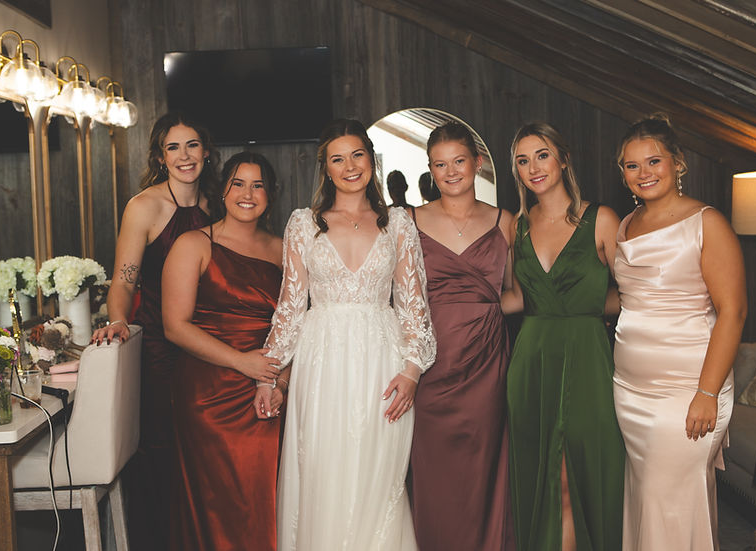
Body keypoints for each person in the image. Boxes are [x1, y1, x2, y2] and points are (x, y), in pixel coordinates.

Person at [264, 119, 436, 550]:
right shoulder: (304, 224)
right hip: (321, 366)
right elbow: (289, 305)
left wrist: (413, 371)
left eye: (357, 155)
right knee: (325, 474)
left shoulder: (397, 222)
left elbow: (415, 304)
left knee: (379, 480)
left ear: (371, 160)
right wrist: (270, 375)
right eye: (338, 159)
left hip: (384, 362)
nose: (350, 166)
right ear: (326, 168)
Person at [612, 114, 746, 551]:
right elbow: (633, 299)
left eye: (654, 161)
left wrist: (706, 393)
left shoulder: (707, 223)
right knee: (647, 498)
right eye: (632, 166)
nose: (644, 173)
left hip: (687, 389)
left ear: (678, 163)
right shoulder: (625, 225)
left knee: (667, 498)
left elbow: (734, 312)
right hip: (630, 390)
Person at [88, 111, 218, 550]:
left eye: (193, 145)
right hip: (161, 352)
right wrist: (118, 319)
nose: (185, 156)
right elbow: (123, 282)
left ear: (206, 151)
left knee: (207, 456)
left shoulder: (216, 206)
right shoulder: (144, 207)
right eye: (173, 147)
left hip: (211, 348)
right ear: (160, 157)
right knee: (164, 454)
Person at [501, 122, 625, 550]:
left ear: (563, 158)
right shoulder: (516, 226)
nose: (533, 167)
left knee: (582, 472)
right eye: (522, 160)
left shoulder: (602, 218)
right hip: (531, 360)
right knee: (544, 478)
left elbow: (631, 293)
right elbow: (517, 297)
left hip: (588, 358)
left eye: (542, 155)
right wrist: (455, 310)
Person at [162, 152, 285, 550]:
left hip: (269, 383)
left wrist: (277, 377)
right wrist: (241, 362)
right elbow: (174, 326)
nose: (247, 194)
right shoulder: (194, 244)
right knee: (220, 501)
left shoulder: (286, 250)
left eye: (258, 185)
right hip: (209, 392)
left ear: (270, 194)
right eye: (238, 183)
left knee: (267, 493)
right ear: (222, 191)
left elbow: (301, 322)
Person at [407, 121, 515, 550]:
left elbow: (518, 295)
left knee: (483, 468)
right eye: (440, 165)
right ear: (430, 170)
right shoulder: (408, 220)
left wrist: (481, 312)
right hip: (430, 362)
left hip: (486, 362)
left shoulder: (505, 220)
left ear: (478, 163)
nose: (451, 172)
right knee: (432, 470)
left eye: (459, 161)